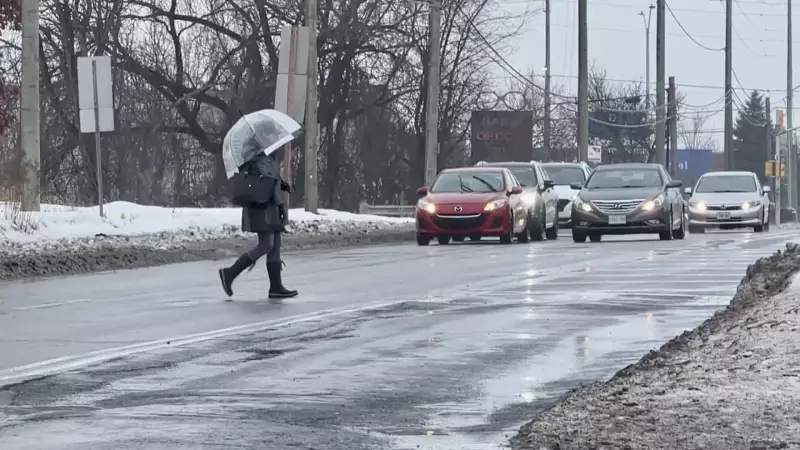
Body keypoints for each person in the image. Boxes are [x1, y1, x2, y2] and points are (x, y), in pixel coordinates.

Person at [218, 148, 298, 299]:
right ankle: (230, 273)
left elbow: (272, 182)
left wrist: (282, 185)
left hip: (268, 208)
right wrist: (281, 203)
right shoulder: (262, 160)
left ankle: (276, 286)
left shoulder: (263, 160)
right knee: (267, 244)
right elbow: (268, 185)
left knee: (275, 245)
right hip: (263, 209)